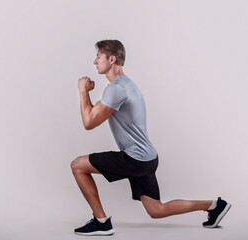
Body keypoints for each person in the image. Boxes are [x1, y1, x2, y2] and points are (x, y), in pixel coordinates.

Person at [71, 39, 231, 236]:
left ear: (111, 59)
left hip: (135, 158)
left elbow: (88, 122)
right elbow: (95, 112)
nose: (95, 62)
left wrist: (82, 91)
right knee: (157, 210)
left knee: (77, 165)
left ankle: (101, 221)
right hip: (147, 158)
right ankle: (215, 205)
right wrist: (87, 95)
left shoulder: (117, 88)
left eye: (98, 57)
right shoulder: (125, 85)